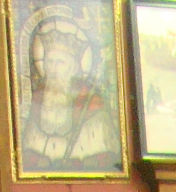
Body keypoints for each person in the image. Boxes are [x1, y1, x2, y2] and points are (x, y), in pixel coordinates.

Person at [20, 5, 115, 169]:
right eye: (50, 62)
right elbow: (24, 151)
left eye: (61, 63)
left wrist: (82, 163)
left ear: (73, 68)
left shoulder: (91, 103)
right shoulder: (36, 102)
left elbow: (108, 157)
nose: (54, 69)